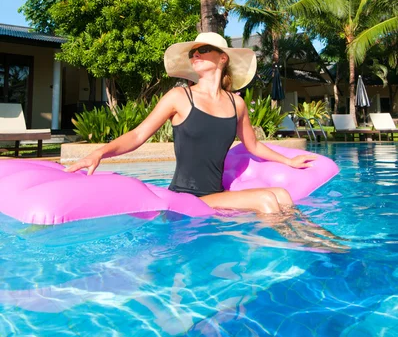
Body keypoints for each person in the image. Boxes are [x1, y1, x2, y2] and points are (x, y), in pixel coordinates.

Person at [66, 32, 316, 215]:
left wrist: (289, 161)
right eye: (192, 52)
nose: (195, 54)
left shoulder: (236, 104)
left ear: (222, 59)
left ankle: (316, 245)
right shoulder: (179, 97)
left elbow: (253, 146)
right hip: (185, 198)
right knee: (266, 200)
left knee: (282, 196)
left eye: (203, 49)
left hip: (216, 196)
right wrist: (98, 153)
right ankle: (281, 266)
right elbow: (138, 134)